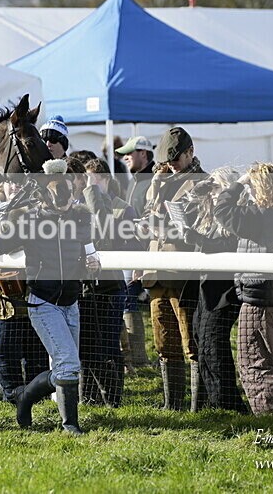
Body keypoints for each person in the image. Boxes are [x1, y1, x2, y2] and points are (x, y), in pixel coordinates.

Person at [0, 159, 100, 435]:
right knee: (68, 363)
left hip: (71, 302)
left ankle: (25, 396)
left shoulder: (81, 218)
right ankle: (70, 426)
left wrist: (92, 263)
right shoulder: (29, 220)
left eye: (67, 195)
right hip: (42, 302)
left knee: (68, 367)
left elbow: (89, 252)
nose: (65, 203)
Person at [214, 162, 273, 415]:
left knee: (254, 359)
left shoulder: (256, 217)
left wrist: (238, 184)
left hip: (256, 295)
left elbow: (221, 209)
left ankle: (270, 415)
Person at [141, 127, 207, 411]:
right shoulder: (162, 178)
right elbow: (148, 211)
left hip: (183, 272)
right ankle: (173, 404)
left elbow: (200, 226)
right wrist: (156, 183)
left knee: (190, 340)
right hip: (158, 270)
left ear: (190, 152)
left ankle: (196, 404)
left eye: (176, 158)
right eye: (167, 160)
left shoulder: (203, 182)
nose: (171, 164)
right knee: (163, 340)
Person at [0, 181, 49, 404]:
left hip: (32, 288)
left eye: (20, 181)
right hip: (0, 290)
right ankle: (12, 396)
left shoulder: (39, 208)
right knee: (3, 347)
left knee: (36, 348)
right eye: (11, 181)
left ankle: (37, 397)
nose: (16, 186)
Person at [181, 168, 247, 412]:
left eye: (218, 187)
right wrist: (198, 191)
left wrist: (198, 240)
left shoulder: (234, 214)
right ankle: (214, 400)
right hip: (205, 287)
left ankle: (227, 404)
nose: (214, 193)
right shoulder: (210, 212)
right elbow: (180, 212)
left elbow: (226, 245)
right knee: (200, 340)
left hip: (224, 291)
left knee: (213, 345)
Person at [77, 158, 140, 407]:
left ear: (104, 179)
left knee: (109, 344)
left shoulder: (122, 208)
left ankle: (113, 399)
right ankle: (89, 397)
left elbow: (112, 238)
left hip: (112, 284)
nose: (87, 185)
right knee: (88, 344)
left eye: (92, 180)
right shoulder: (80, 206)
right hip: (87, 284)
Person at [114, 135, 156, 369]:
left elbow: (150, 225)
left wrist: (143, 261)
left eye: (131, 151)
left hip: (144, 254)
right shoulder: (136, 181)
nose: (126, 156)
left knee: (130, 302)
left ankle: (138, 359)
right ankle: (135, 358)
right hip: (132, 253)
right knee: (127, 302)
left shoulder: (151, 181)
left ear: (144, 153)